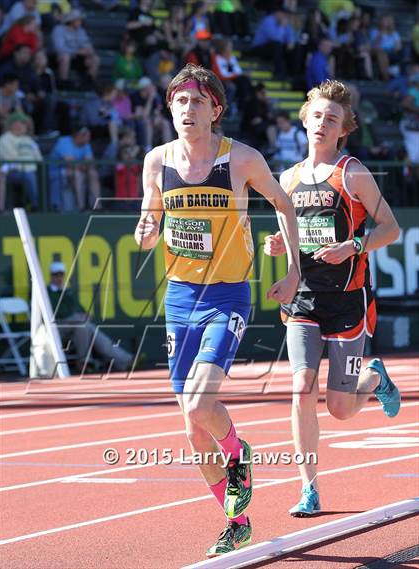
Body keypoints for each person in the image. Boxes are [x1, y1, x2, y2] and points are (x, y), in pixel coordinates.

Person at [134, 63, 300, 557]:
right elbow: (149, 218)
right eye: (180, 101)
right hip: (180, 296)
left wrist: (293, 271)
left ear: (216, 110)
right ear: (170, 108)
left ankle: (239, 454)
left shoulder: (242, 158)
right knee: (190, 425)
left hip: (227, 295)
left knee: (201, 405)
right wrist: (145, 231)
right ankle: (238, 521)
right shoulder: (156, 161)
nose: (188, 109)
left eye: (198, 101)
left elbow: (284, 205)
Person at [263, 79, 401, 517]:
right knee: (302, 387)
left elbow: (390, 229)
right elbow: (292, 234)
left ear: (344, 130)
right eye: (318, 115)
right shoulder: (288, 177)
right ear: (305, 120)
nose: (324, 123)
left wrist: (353, 246)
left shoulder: (353, 172)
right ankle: (308, 488)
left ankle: (374, 378)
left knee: (341, 408)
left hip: (347, 302)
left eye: (333, 119)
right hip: (303, 300)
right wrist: (279, 245)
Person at [46, 261, 134, 372]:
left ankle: (121, 361)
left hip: (75, 325)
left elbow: (78, 307)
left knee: (87, 328)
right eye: (56, 275)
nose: (59, 278)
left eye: (61, 274)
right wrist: (78, 317)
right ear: (51, 275)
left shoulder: (67, 290)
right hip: (55, 326)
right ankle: (124, 360)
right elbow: (56, 312)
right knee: (83, 325)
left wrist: (84, 315)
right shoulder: (46, 292)